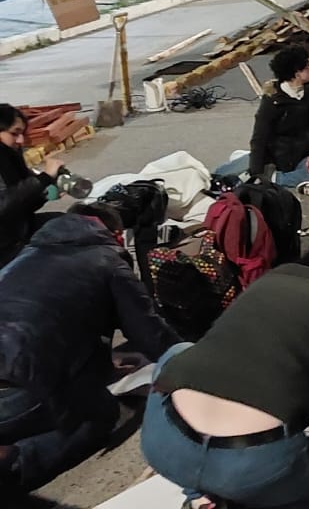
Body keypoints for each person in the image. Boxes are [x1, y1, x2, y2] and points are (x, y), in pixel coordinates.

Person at [139, 235, 309, 509]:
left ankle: (202, 498)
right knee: (306, 494)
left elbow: (259, 361)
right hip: (252, 471)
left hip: (163, 446)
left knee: (180, 352)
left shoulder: (267, 282)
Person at [0, 203, 179, 494]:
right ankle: (13, 463)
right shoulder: (107, 261)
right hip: (12, 392)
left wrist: (107, 362)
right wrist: (191, 364)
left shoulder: (26, 257)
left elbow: (50, 324)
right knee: (99, 414)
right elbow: (152, 335)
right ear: (116, 233)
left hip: (14, 370)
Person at [217, 45, 309, 188]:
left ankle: (274, 178)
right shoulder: (273, 98)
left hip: (305, 153)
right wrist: (257, 173)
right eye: (308, 66)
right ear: (297, 73)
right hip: (275, 155)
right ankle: (257, 172)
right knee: (221, 174)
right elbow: (260, 137)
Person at [0, 105, 67, 268]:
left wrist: (45, 193)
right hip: (5, 246)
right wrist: (43, 178)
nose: (21, 140)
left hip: (17, 231)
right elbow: (4, 204)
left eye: (22, 134)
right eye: (14, 133)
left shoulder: (10, 157)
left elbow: (21, 205)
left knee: (75, 225)